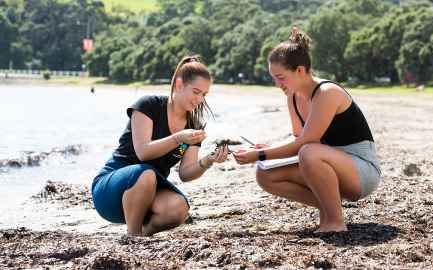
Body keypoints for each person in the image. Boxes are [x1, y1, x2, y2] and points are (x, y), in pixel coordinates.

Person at [233, 28, 381, 232]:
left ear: (300, 70)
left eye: (281, 77)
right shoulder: (293, 98)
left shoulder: (327, 93)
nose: (277, 84)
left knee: (309, 152)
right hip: (329, 162)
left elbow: (306, 143)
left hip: (362, 170)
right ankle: (329, 208)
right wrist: (268, 150)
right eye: (274, 78)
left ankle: (335, 222)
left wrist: (260, 154)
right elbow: (298, 138)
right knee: (265, 174)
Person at [91, 55, 229, 236]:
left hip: (149, 193)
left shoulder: (193, 126)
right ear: (179, 85)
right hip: (110, 192)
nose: (200, 99)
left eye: (204, 94)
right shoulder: (148, 106)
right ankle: (132, 236)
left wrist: (207, 161)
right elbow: (143, 152)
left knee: (179, 207)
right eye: (196, 92)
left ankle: (143, 232)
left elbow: (186, 173)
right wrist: (179, 138)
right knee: (146, 173)